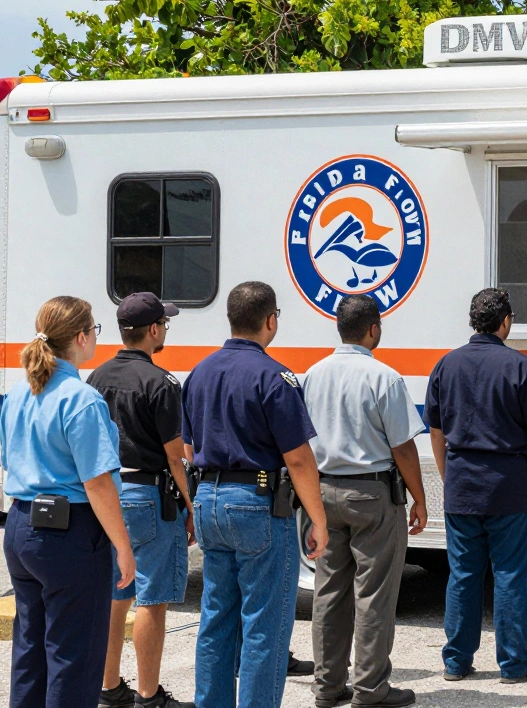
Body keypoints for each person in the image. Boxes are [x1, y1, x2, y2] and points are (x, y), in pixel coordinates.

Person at [181, 281, 328, 708]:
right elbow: (299, 460)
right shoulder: (275, 377)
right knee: (265, 623)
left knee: (216, 620)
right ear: (270, 320)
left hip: (208, 498)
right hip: (256, 504)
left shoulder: (200, 372)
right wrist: (318, 520)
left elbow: (190, 450)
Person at [1, 296, 136, 708]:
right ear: (81, 337)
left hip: (21, 527)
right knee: (74, 658)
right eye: (95, 330)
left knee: (30, 651)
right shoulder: (81, 399)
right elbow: (97, 484)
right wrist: (124, 546)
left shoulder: (16, 394)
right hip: (70, 535)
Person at [426, 288, 527, 684]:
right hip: (511, 489)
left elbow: (436, 432)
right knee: (509, 575)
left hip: (462, 487)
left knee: (463, 576)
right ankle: (514, 664)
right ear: (505, 321)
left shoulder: (446, 365)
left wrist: (447, 475)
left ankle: (456, 662)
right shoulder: (521, 367)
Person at [302, 295, 428, 708]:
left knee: (329, 591)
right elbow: (404, 448)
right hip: (371, 494)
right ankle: (371, 689)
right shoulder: (384, 377)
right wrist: (419, 498)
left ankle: (327, 688)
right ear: (373, 329)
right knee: (373, 593)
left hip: (322, 493)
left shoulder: (313, 375)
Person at [87, 293, 196, 708]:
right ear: (152, 330)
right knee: (152, 598)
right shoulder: (162, 382)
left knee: (117, 593)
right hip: (150, 497)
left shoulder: (96, 377)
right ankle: (149, 696)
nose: (165, 330)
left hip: (109, 496)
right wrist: (191, 505)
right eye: (164, 324)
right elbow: (175, 455)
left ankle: (108, 686)